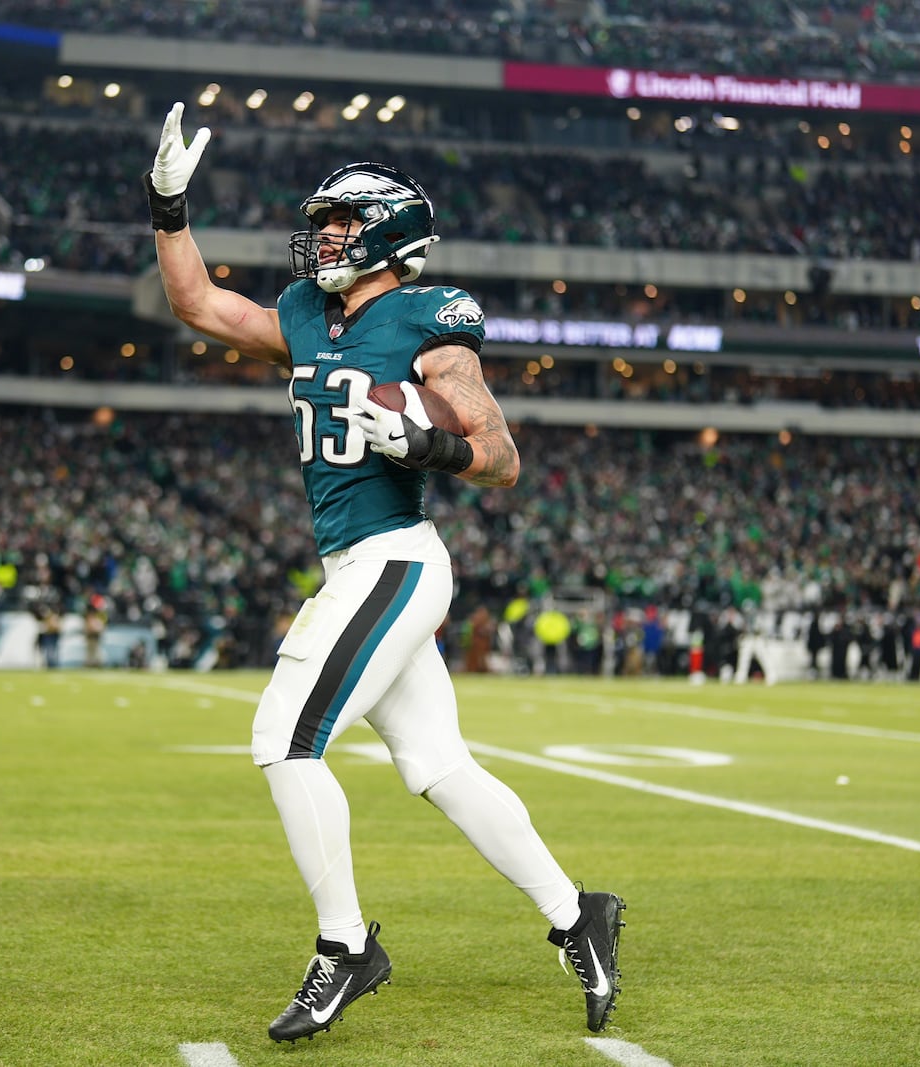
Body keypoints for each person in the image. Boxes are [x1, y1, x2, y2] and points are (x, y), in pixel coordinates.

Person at [144, 103, 625, 1043]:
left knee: (285, 736)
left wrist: (419, 440)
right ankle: (580, 914)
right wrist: (169, 208)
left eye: (341, 225)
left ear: (392, 236)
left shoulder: (427, 316)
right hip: (359, 561)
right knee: (438, 764)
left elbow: (498, 453)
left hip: (396, 556)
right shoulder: (302, 316)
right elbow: (199, 303)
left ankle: (346, 945)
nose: (323, 239)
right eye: (321, 224)